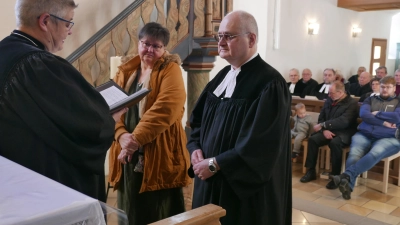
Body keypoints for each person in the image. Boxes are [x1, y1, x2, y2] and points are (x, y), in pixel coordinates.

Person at [0, 0, 119, 202]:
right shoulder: (38, 66)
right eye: (68, 23)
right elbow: (91, 125)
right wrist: (110, 118)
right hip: (45, 194)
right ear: (45, 21)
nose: (70, 31)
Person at [187, 10, 292, 225]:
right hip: (209, 181)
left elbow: (260, 145)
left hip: (242, 193)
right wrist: (195, 148)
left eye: (229, 36)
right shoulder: (222, 77)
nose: (221, 42)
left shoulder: (270, 84)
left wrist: (215, 164)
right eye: (220, 36)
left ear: (251, 39)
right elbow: (196, 121)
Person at [107, 22, 192, 225]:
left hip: (158, 151)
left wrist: (134, 139)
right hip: (127, 152)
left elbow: (165, 109)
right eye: (146, 44)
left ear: (164, 49)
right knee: (130, 207)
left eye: (157, 46)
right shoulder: (126, 71)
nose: (150, 50)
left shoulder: (170, 69)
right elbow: (112, 108)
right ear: (138, 43)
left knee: (158, 209)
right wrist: (121, 135)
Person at [331, 76, 400, 200]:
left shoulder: (398, 101)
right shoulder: (370, 99)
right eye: (383, 87)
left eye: (388, 87)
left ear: (394, 88)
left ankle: (346, 176)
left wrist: (377, 113)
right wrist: (383, 122)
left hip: (389, 137)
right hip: (365, 133)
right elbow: (364, 114)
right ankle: (348, 187)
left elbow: (397, 117)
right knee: (354, 154)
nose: (385, 90)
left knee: (375, 153)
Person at [300, 81, 358, 189]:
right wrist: (324, 129)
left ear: (340, 92)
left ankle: (335, 176)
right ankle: (311, 171)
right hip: (328, 130)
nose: (329, 95)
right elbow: (322, 117)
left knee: (335, 143)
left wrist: (324, 125)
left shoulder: (352, 103)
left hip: (344, 132)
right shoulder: (329, 100)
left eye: (331, 93)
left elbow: (344, 121)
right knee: (313, 139)